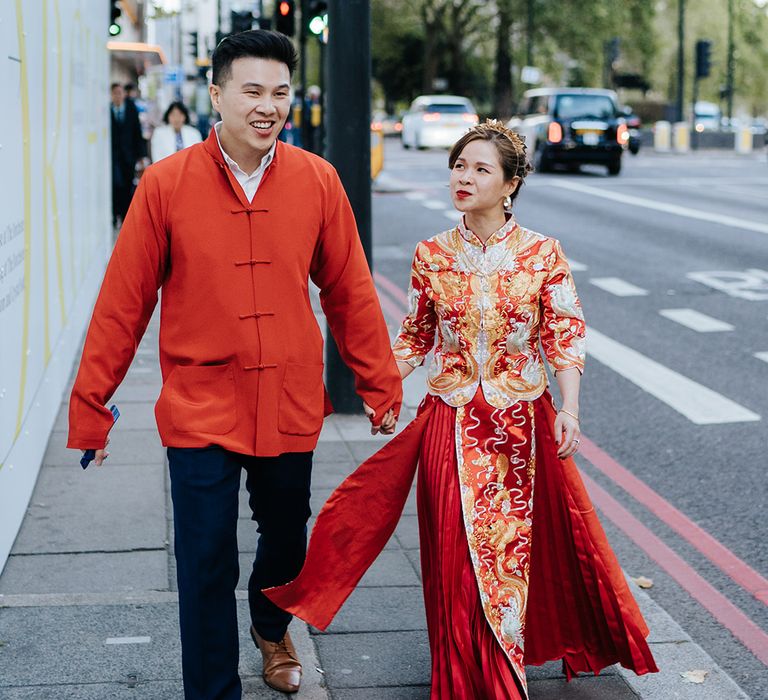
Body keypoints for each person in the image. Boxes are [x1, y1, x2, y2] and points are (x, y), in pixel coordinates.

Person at [264, 120, 658, 698]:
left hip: (519, 427)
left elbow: (565, 334)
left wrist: (568, 408)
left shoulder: (541, 255)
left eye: (480, 169)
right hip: (449, 424)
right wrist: (380, 388)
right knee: (453, 557)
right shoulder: (432, 255)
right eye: (458, 166)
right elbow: (415, 338)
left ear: (511, 184)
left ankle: (501, 674)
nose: (464, 178)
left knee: (509, 554)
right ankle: (459, 673)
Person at [69, 30, 401, 699]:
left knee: (286, 542)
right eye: (252, 90)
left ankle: (270, 625)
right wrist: (91, 407)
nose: (267, 105)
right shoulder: (166, 184)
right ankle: (213, 689)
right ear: (216, 95)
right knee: (203, 560)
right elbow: (122, 304)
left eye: (279, 92)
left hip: (288, 399)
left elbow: (350, 291)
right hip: (199, 404)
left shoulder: (318, 181)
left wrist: (379, 383)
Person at [110, 82, 147, 227]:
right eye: (115, 93)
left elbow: (137, 133)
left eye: (120, 93)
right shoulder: (107, 110)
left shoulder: (131, 109)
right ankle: (115, 215)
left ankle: (125, 216)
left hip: (128, 156)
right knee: (115, 185)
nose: (118, 96)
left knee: (126, 185)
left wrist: (141, 156)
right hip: (113, 157)